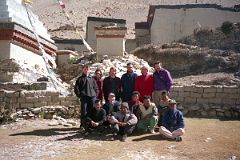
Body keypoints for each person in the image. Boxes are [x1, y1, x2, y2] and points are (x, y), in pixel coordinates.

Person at [74, 65, 99, 131]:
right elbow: (76, 89)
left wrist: (95, 95)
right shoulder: (80, 79)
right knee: (84, 112)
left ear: (89, 70)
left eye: (88, 69)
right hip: (84, 98)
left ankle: (91, 125)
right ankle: (83, 125)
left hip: (92, 98)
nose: (86, 70)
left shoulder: (92, 79)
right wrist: (80, 95)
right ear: (83, 70)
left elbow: (96, 88)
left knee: (92, 111)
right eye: (85, 69)